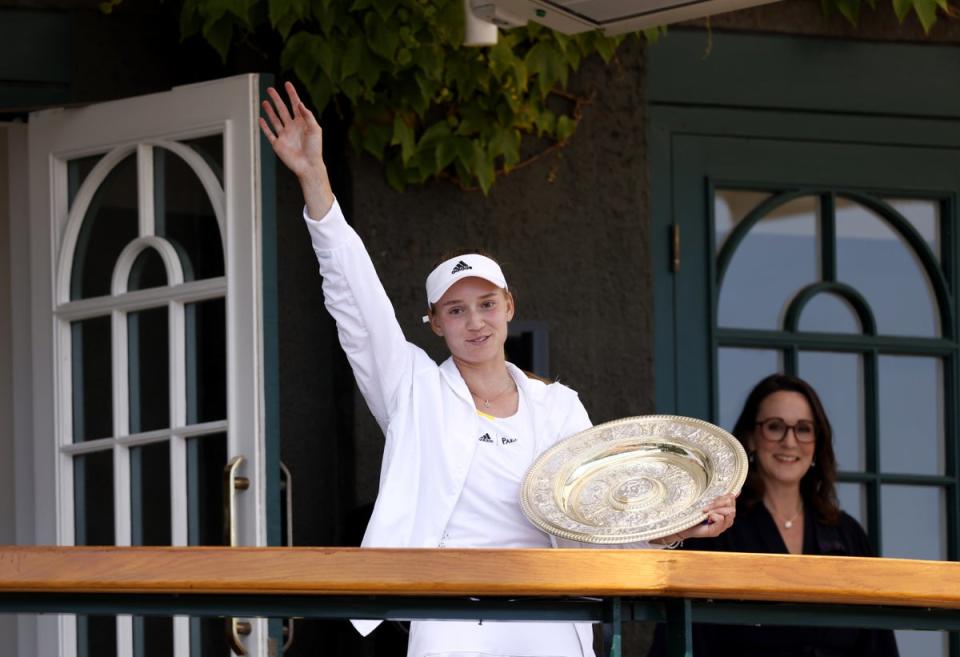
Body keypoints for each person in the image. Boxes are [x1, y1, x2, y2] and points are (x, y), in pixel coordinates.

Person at [259, 81, 737, 657]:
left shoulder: (559, 406)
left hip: (551, 617)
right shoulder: (413, 390)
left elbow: (598, 522)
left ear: (510, 307)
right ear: (435, 323)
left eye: (486, 304)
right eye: (456, 311)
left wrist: (682, 523)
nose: (475, 322)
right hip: (451, 620)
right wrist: (316, 178)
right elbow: (356, 303)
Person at [650, 373, 899, 657]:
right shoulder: (720, 529)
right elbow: (687, 636)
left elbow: (878, 643)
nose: (789, 442)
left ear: (817, 442)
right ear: (752, 439)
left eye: (803, 429)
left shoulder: (847, 533)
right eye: (775, 427)